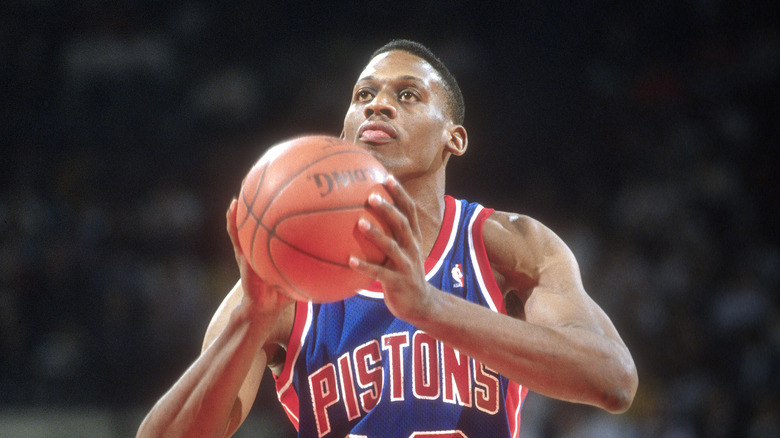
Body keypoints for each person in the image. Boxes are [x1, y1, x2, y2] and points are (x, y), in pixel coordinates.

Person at [137, 39, 638, 438]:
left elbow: (613, 380)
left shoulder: (507, 244)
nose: (378, 105)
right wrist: (250, 322)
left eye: (407, 95)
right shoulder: (285, 280)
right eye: (363, 95)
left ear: (454, 138)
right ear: (344, 129)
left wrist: (429, 308)